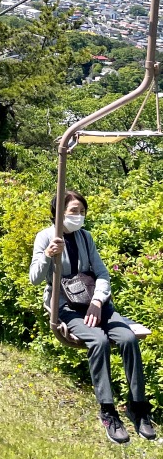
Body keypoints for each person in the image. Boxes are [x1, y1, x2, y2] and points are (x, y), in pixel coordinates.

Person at [30, 189, 156, 444]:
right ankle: (107, 411)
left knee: (128, 339)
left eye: (82, 212)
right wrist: (48, 255)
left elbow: (102, 274)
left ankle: (138, 407)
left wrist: (98, 301)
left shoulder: (85, 238)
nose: (78, 217)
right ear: (58, 213)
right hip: (67, 308)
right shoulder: (45, 237)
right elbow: (35, 279)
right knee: (98, 342)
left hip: (95, 305)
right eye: (73, 212)